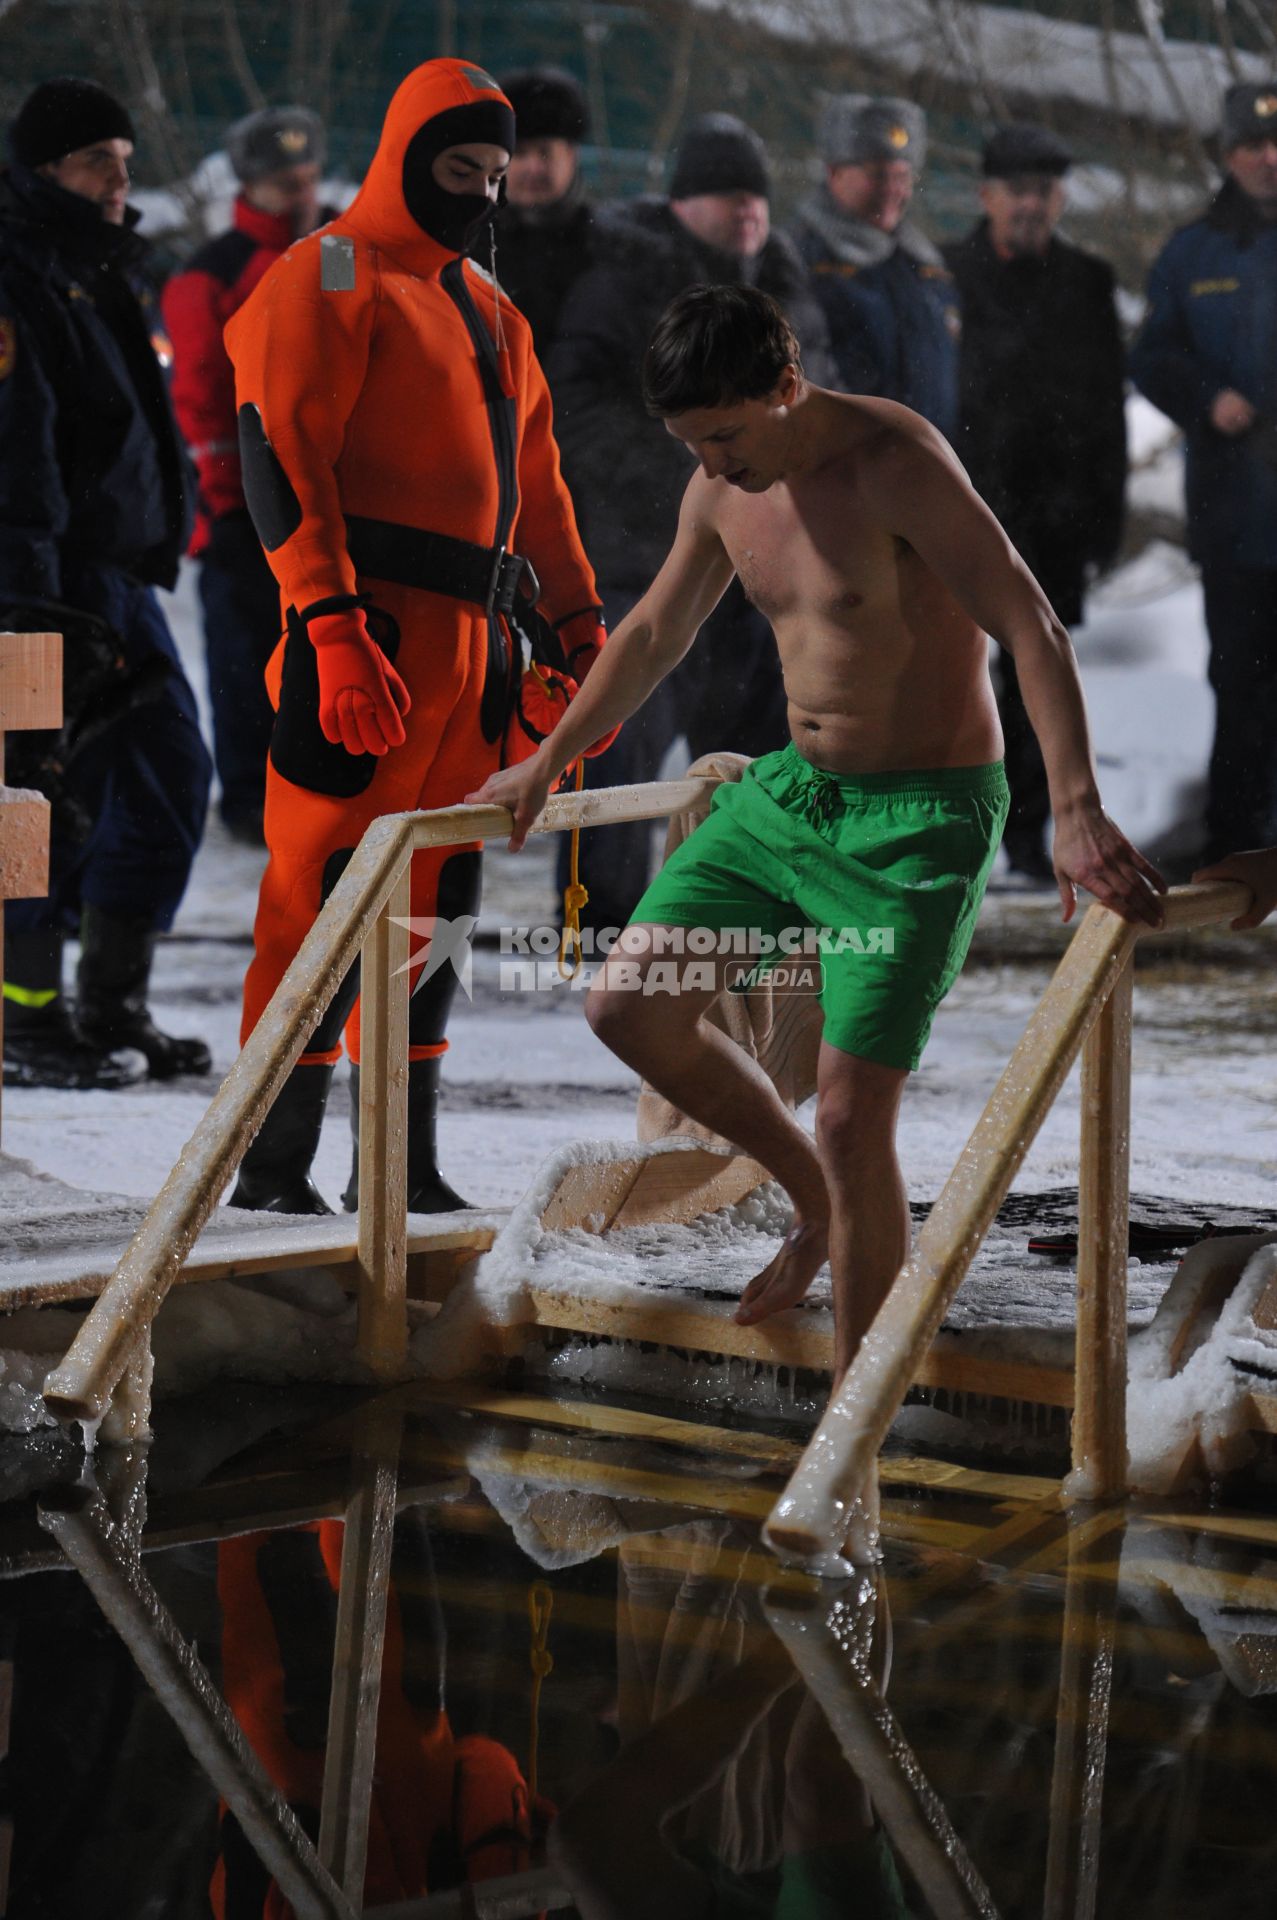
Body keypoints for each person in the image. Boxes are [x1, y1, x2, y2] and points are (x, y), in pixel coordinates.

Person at [469, 285, 1164, 1405]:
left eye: (728, 436)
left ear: (784, 384)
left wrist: (1072, 806)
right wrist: (548, 759)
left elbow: (1028, 621)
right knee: (625, 1006)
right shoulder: (719, 487)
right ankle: (807, 1200)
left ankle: (854, 1421)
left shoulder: (894, 460)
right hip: (791, 798)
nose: (715, 465)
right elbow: (652, 631)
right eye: (691, 444)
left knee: (850, 1112)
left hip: (920, 818)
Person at [224, 58, 605, 1215]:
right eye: (459, 169)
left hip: (478, 662)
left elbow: (541, 490)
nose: (483, 193)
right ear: (403, 155)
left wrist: (581, 633)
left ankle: (401, 1161)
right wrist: (329, 623)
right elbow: (278, 453)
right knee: (322, 890)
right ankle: (270, 1166)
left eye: (495, 173)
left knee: (438, 905)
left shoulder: (490, 309)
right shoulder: (329, 271)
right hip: (369, 643)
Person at [547, 112, 835, 937]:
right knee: (623, 746)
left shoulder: (787, 285)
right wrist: (689, 475)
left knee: (754, 752)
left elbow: (821, 397)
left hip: (762, 566)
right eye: (722, 196)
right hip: (641, 551)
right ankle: (599, 923)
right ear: (680, 204)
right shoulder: (621, 282)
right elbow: (578, 408)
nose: (745, 213)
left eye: (754, 198)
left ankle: (737, 915)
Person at [0, 76, 213, 1090]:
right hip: (45, 593)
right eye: (99, 162)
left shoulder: (101, 267)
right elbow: (19, 457)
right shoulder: (17, 275)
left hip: (122, 587)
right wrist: (29, 608)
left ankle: (111, 1003)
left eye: (126, 160)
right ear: (47, 172)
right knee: (30, 803)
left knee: (171, 775)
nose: (123, 179)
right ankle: (22, 1017)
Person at [945, 123, 1128, 883]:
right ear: (986, 195)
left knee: (1036, 680)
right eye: (1017, 191)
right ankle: (949, 835)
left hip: (1055, 515)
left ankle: (1025, 839)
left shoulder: (1087, 280)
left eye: (1044, 192)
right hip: (955, 506)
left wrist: (1103, 520)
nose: (1030, 206)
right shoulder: (945, 272)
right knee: (948, 677)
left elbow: (1105, 413)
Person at [163, 106, 332, 845]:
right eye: (279, 183)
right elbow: (200, 396)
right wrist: (230, 504)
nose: (297, 194)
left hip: (330, 499)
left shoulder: (339, 251)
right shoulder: (211, 273)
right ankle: (248, 800)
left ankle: (314, 792)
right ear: (247, 186)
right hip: (245, 510)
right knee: (243, 661)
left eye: (306, 178)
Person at [1130, 81, 1277, 867]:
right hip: (1234, 517)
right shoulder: (1193, 251)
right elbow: (1152, 355)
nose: (1267, 157)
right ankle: (1237, 848)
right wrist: (1203, 397)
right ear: (1226, 154)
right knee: (1241, 683)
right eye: (1250, 145)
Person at [790, 94, 960, 435]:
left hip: (923, 468)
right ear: (833, 171)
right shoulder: (795, 257)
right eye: (878, 174)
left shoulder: (924, 264)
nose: (894, 189)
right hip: (842, 470)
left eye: (904, 176)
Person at [492, 66, 593, 358]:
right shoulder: (467, 245)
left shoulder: (607, 252)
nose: (533, 167)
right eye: (520, 153)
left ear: (571, 156)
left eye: (545, 152)